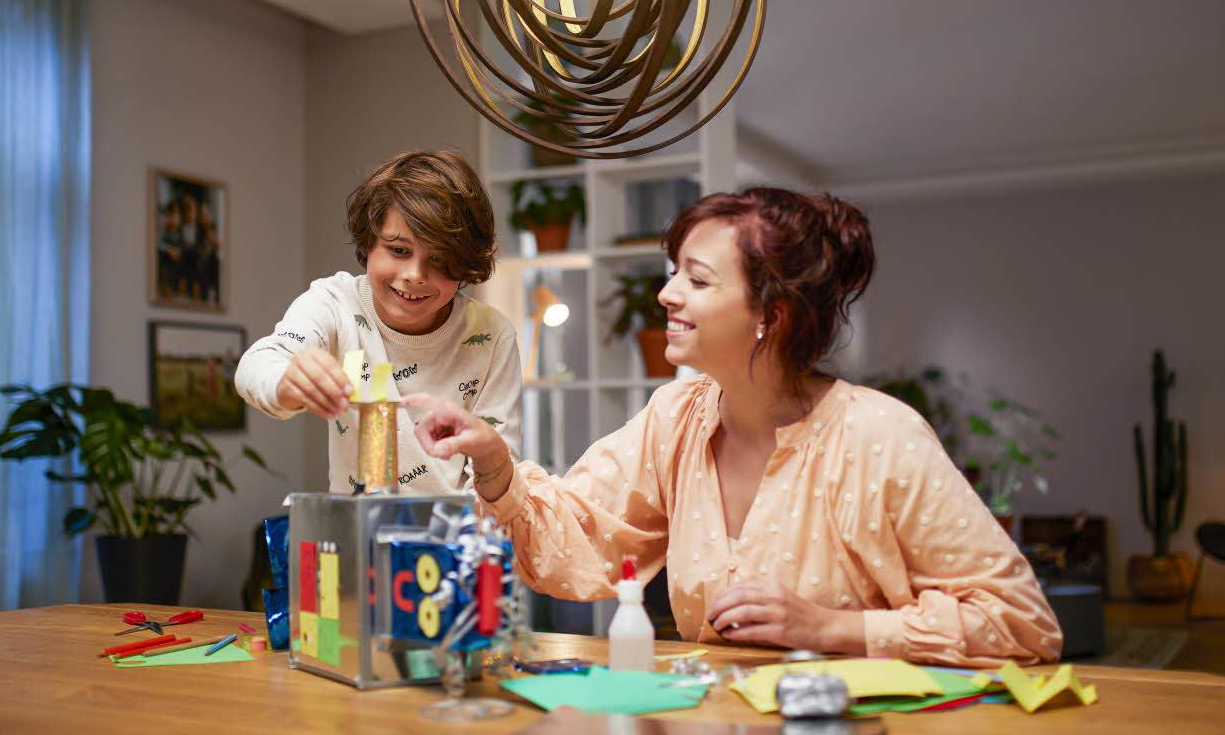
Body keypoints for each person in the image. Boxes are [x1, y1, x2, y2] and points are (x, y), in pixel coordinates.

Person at [406, 187, 1062, 665]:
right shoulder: (678, 417)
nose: (666, 295)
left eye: (696, 279)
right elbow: (579, 542)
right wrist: (493, 463)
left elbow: (1022, 624)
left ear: (770, 315)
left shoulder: (880, 436)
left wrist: (831, 628)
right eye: (673, 275)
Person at [236, 150, 522, 494]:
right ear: (369, 241)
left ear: (465, 264)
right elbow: (257, 364)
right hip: (357, 537)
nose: (415, 275)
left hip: (456, 540)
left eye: (442, 259)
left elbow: (501, 475)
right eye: (399, 251)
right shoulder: (334, 303)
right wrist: (287, 382)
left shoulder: (492, 335)